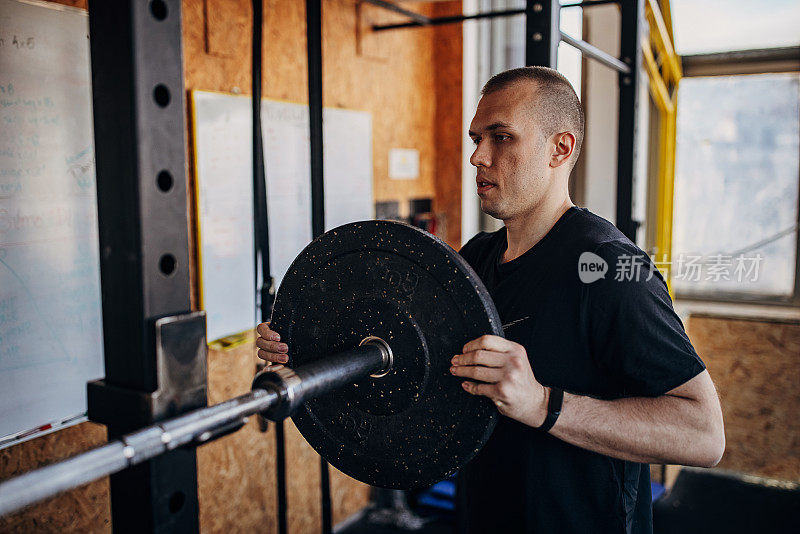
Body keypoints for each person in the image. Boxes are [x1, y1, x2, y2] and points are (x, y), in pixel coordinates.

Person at [255, 66, 725, 533]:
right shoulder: (474, 261)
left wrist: (542, 403)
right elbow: (408, 358)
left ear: (560, 149)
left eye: (501, 137)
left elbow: (704, 434)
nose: (478, 156)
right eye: (476, 138)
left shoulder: (607, 269)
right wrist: (307, 352)